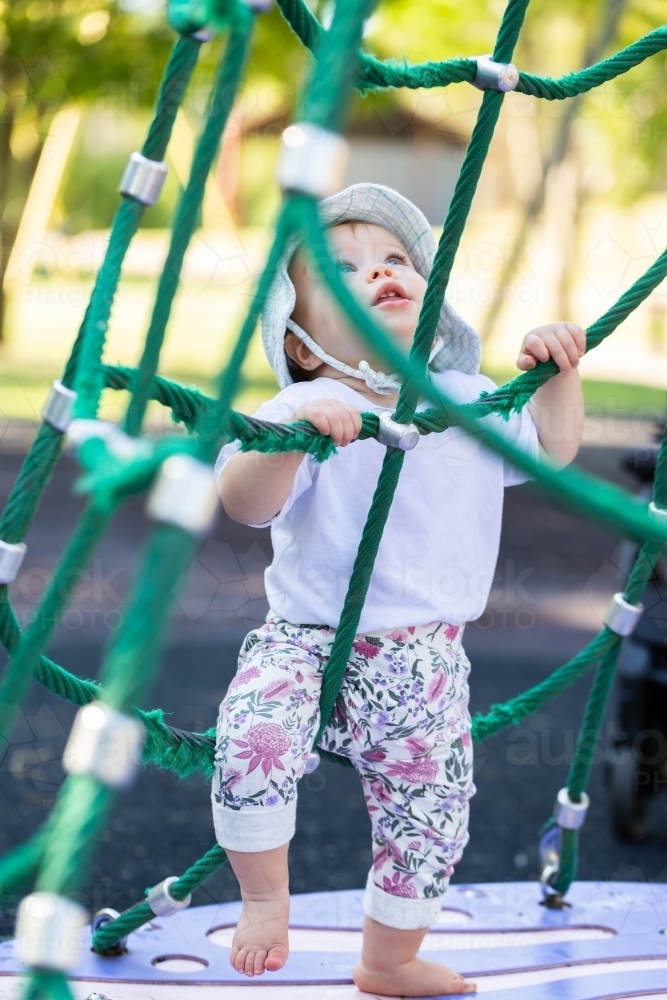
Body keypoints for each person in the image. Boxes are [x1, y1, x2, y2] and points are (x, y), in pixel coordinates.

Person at [212, 183, 584, 997]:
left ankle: (387, 961)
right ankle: (265, 899)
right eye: (343, 271)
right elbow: (244, 503)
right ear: (304, 344)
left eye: (392, 259)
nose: (377, 272)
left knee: (431, 816)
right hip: (307, 638)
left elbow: (552, 450)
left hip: (424, 656)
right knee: (250, 735)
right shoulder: (303, 402)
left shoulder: (465, 401)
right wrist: (297, 430)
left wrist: (555, 369)